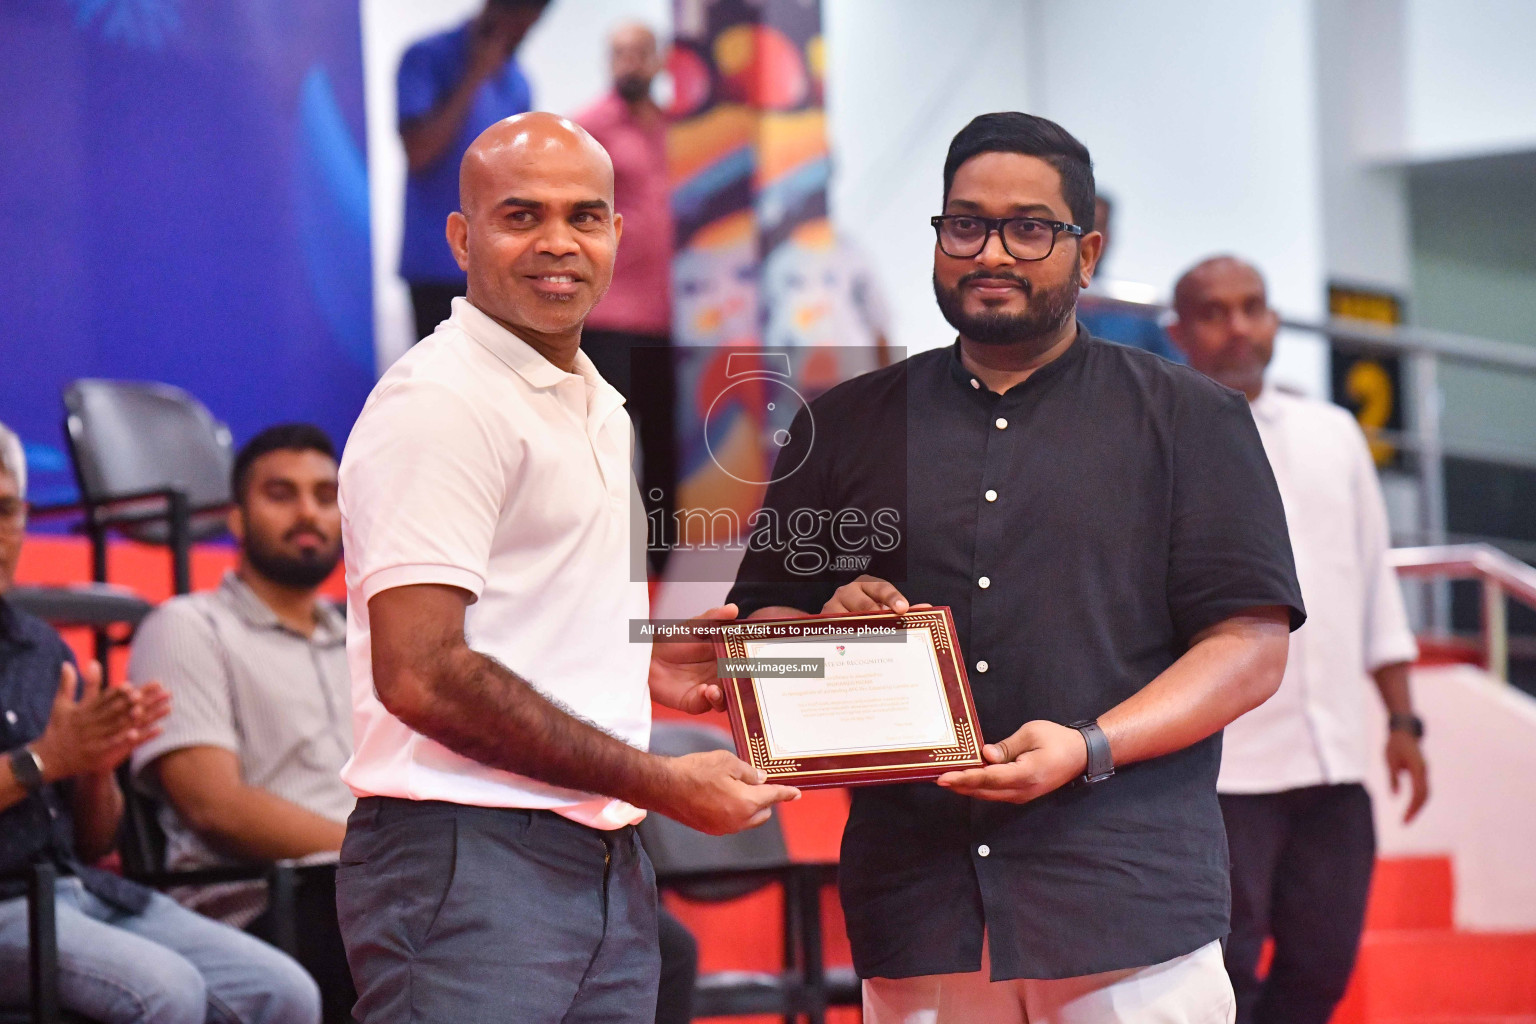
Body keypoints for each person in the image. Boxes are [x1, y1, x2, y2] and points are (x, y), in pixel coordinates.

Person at [726, 111, 1307, 1023]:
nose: (991, 251)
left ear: (1086, 252)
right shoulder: (840, 424)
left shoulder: (1191, 419)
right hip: (919, 911)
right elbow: (761, 640)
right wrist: (825, 636)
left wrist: (1090, 747)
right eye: (965, 224)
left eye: (1030, 227)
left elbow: (1250, 645)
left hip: (1127, 906)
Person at [336, 112, 799, 1023]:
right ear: (462, 239)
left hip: (599, 856)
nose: (559, 242)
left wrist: (643, 659)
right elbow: (422, 674)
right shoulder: (442, 402)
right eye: (522, 216)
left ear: (619, 235)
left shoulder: (596, 402)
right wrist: (661, 781)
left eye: (585, 216)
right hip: (467, 854)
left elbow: (532, 615)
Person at [1167, 256, 1430, 1024]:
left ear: (1276, 320)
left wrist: (1404, 721)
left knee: (1323, 967)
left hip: (1335, 763)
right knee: (1228, 972)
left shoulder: (1334, 432)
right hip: (1225, 771)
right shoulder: (1163, 437)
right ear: (1180, 332)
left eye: (1254, 307)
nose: (1239, 326)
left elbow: (1376, 588)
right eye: (1214, 312)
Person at [0, 421, 321, 1024]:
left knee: (284, 992)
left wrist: (94, 771)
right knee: (165, 991)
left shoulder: (44, 649)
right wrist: (42, 760)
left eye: (6, 510)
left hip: (82, 893)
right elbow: (43, 761)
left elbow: (94, 844)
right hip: (10, 908)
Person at [128, 423, 355, 1023]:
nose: (308, 512)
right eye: (281, 494)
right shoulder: (186, 628)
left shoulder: (365, 640)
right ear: (236, 518)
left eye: (325, 495)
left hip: (368, 883)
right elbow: (214, 806)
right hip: (259, 900)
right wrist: (375, 853)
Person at [575, 22, 679, 576]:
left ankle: (660, 564)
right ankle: (608, 562)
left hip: (669, 318)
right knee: (609, 443)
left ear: (659, 60)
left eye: (638, 53)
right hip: (609, 315)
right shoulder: (588, 129)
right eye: (618, 53)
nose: (628, 63)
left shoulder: (677, 128)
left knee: (664, 445)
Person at [397, 0, 550, 341]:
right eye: (518, 22)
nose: (521, 34)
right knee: (438, 386)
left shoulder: (517, 82)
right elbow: (419, 152)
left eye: (530, 25)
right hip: (436, 267)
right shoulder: (426, 58)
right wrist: (474, 76)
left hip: (499, 267)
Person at [1076, 192, 1184, 361]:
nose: (1085, 238)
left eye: (1095, 226)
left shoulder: (1139, 315)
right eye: (1077, 226)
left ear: (1107, 237)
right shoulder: (1032, 301)